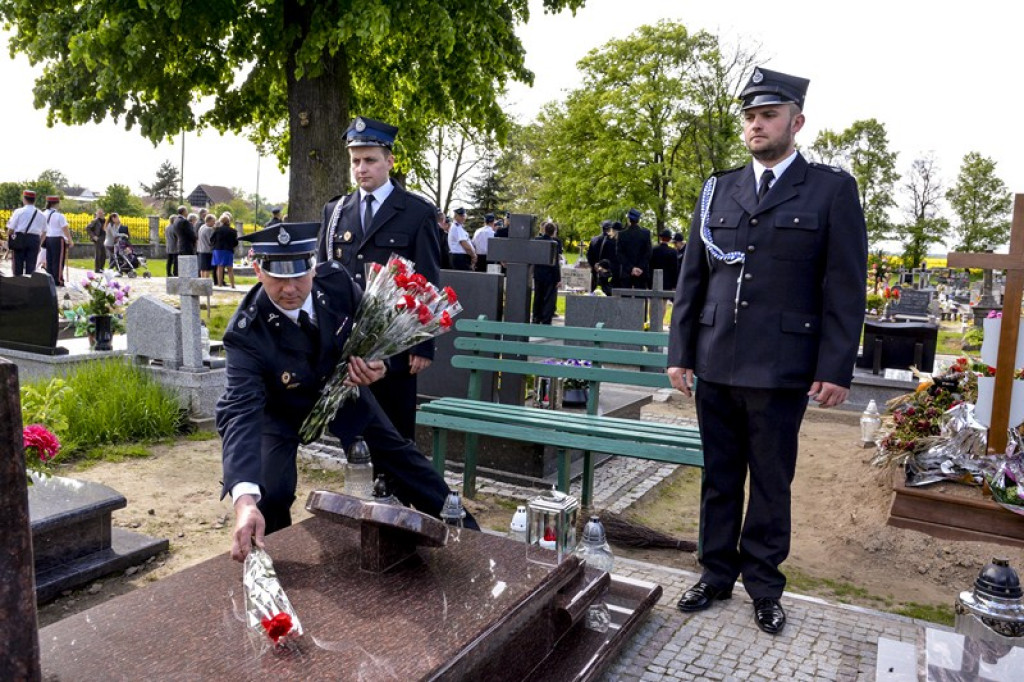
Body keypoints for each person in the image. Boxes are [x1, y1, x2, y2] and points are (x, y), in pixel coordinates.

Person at [667, 67, 867, 635]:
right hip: (716, 359)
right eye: (750, 116)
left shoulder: (831, 189)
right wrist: (681, 352)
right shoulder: (718, 188)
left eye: (769, 115)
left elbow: (845, 287)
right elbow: (693, 279)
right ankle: (713, 574)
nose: (757, 124)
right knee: (720, 475)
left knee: (771, 481)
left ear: (796, 121)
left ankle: (763, 586)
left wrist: (835, 367)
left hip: (783, 366)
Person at [217, 222, 477, 561]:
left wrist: (383, 365)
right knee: (272, 490)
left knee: (401, 457)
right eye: (278, 278)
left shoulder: (335, 282)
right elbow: (240, 411)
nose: (291, 288)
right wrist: (245, 501)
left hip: (342, 390)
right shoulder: (246, 333)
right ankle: (271, 557)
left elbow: (379, 332)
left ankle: (469, 536)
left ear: (313, 266)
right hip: (279, 410)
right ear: (257, 270)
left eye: (300, 275)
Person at [316, 116, 442, 441]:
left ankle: (396, 489)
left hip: (393, 344)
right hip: (346, 339)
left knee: (395, 430)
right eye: (355, 161)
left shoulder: (417, 213)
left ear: (389, 161)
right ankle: (356, 485)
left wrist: (424, 345)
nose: (362, 168)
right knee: (352, 431)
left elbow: (427, 281)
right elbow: (322, 276)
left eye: (370, 160)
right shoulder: (336, 212)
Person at [7, 189, 44, 276]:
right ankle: (28, 285)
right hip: (34, 239)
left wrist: (10, 239)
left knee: (17, 265)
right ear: (34, 200)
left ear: (24, 199)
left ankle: (18, 284)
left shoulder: (19, 212)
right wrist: (39, 243)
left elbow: (11, 229)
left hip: (20, 238)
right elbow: (45, 231)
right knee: (31, 266)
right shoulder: (40, 213)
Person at [531, 221, 562, 324]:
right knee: (548, 298)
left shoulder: (536, 240)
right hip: (550, 274)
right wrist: (558, 278)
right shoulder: (554, 244)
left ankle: (536, 317)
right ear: (553, 232)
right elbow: (555, 263)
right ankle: (546, 319)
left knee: (538, 296)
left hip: (538, 272)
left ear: (544, 230)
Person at [41, 196, 72, 286]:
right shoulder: (59, 215)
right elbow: (65, 228)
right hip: (58, 239)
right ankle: (57, 279)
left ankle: (49, 278)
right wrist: (70, 240)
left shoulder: (44, 213)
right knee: (58, 260)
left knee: (49, 260)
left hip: (48, 238)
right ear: (56, 204)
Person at [617, 208, 651, 289]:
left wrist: (631, 268)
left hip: (626, 272)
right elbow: (648, 253)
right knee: (641, 298)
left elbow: (619, 254)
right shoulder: (646, 234)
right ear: (638, 220)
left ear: (628, 219)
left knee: (625, 299)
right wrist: (640, 267)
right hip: (641, 273)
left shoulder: (622, 234)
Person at [586, 220, 618, 293]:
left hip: (596, 271)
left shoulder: (594, 239)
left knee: (595, 293)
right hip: (609, 273)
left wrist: (594, 264)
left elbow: (589, 255)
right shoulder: (613, 241)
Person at [211, 212, 238, 288]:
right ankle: (232, 285)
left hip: (218, 250)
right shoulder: (233, 231)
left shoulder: (217, 230)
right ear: (228, 221)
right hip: (228, 250)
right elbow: (236, 242)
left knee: (219, 268)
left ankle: (219, 284)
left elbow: (211, 239)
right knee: (230, 268)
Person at [197, 213, 215, 282]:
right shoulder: (209, 229)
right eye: (213, 221)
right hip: (207, 250)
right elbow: (210, 241)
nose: (214, 223)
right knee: (207, 268)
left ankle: (202, 281)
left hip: (200, 250)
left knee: (202, 268)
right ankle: (206, 282)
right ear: (209, 221)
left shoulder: (202, 227)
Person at [165, 212, 179, 277]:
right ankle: (175, 272)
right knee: (176, 260)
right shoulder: (175, 228)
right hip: (174, 245)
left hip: (168, 245)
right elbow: (177, 236)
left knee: (169, 260)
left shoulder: (167, 227)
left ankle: (168, 272)